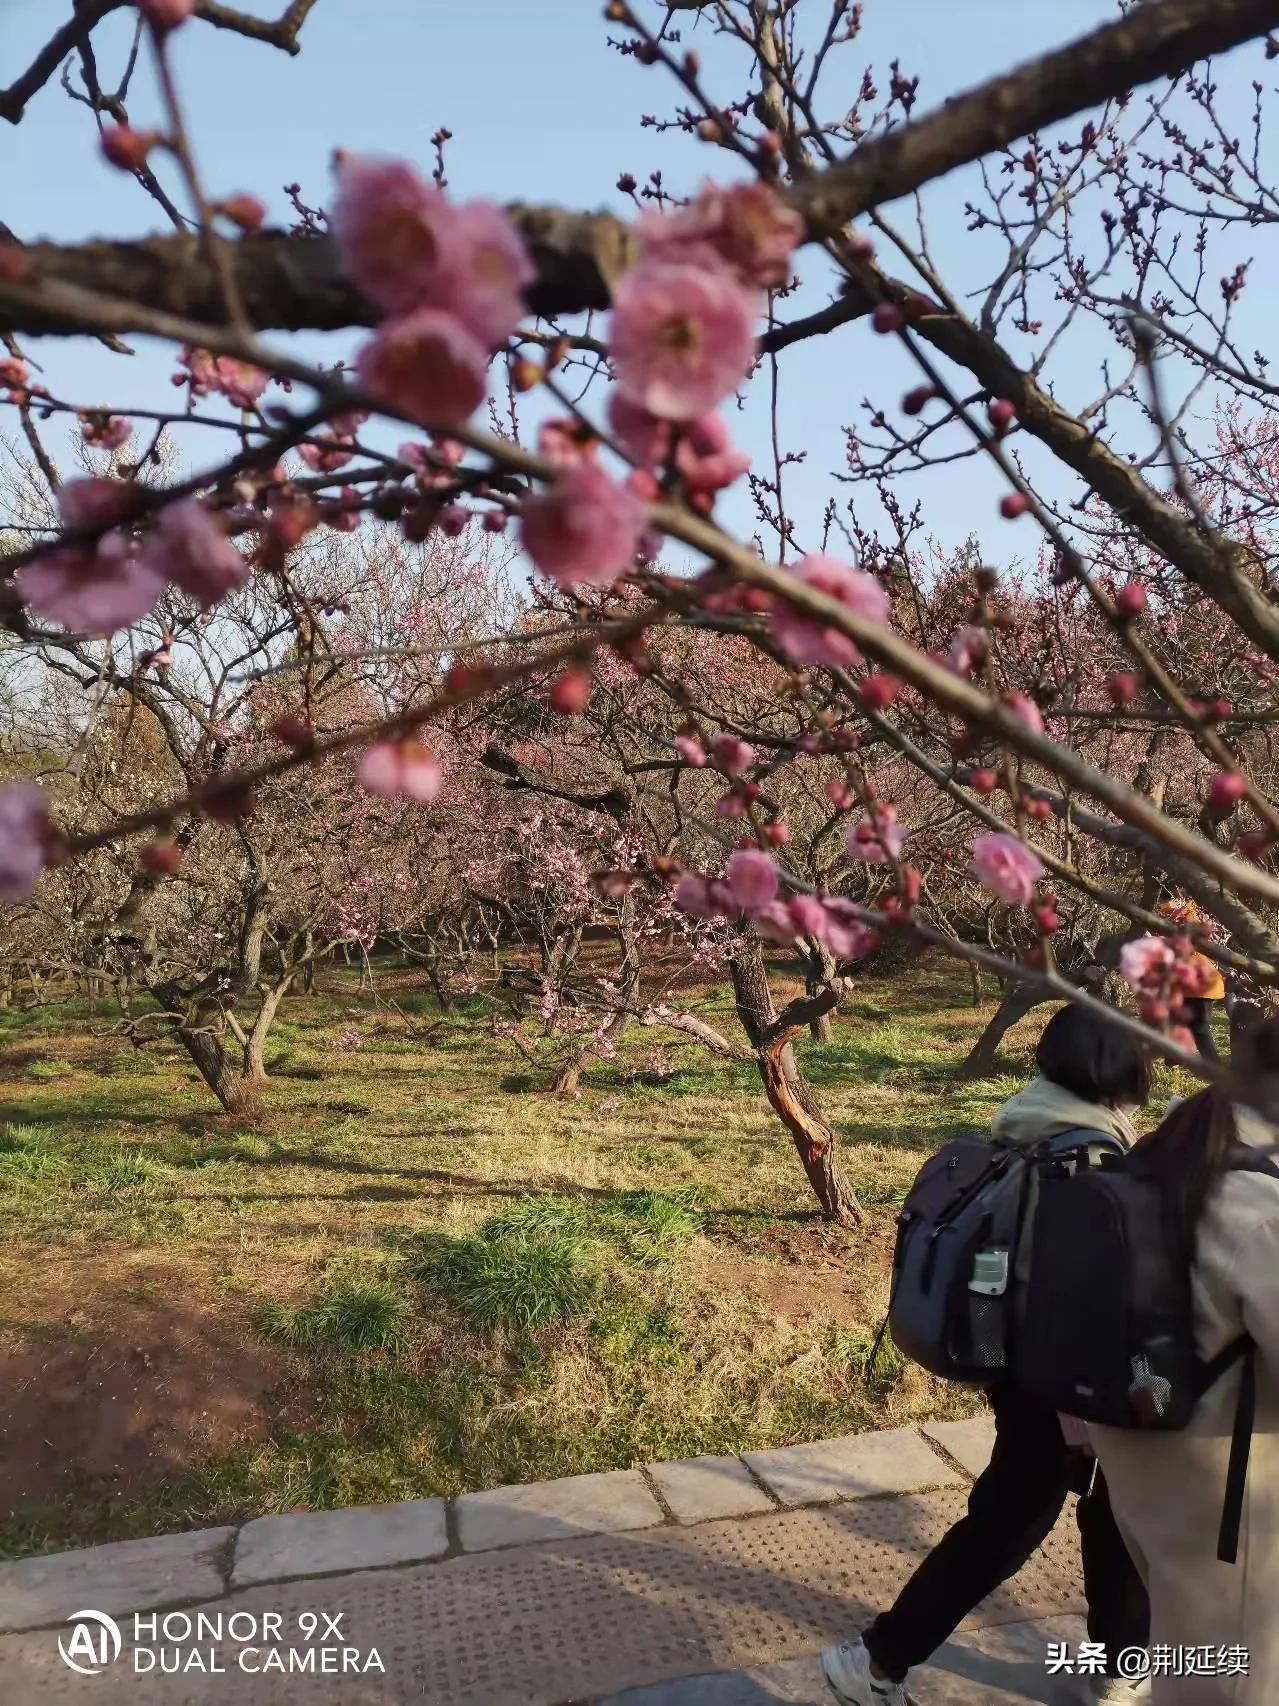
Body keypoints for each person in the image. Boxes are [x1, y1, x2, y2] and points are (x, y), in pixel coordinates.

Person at [822, 1004, 1152, 1706]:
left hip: (1017, 1365)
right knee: (1013, 1525)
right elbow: (1095, 1293)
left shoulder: (1025, 1125)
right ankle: (876, 1662)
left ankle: (1120, 1666)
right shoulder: (1088, 1158)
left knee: (1102, 1516)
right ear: (1120, 1070)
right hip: (1067, 1382)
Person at [1088, 1022, 1279, 1706]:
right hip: (1230, 1492)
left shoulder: (1175, 1147)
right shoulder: (1261, 1208)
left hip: (1145, 1454)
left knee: (1187, 1649)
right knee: (1232, 1680)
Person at [1157, 895, 1226, 1062]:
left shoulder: (1188, 918)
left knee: (1200, 1030)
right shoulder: (1177, 920)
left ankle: (1215, 1069)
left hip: (1202, 986)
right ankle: (1174, 1058)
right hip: (1190, 986)